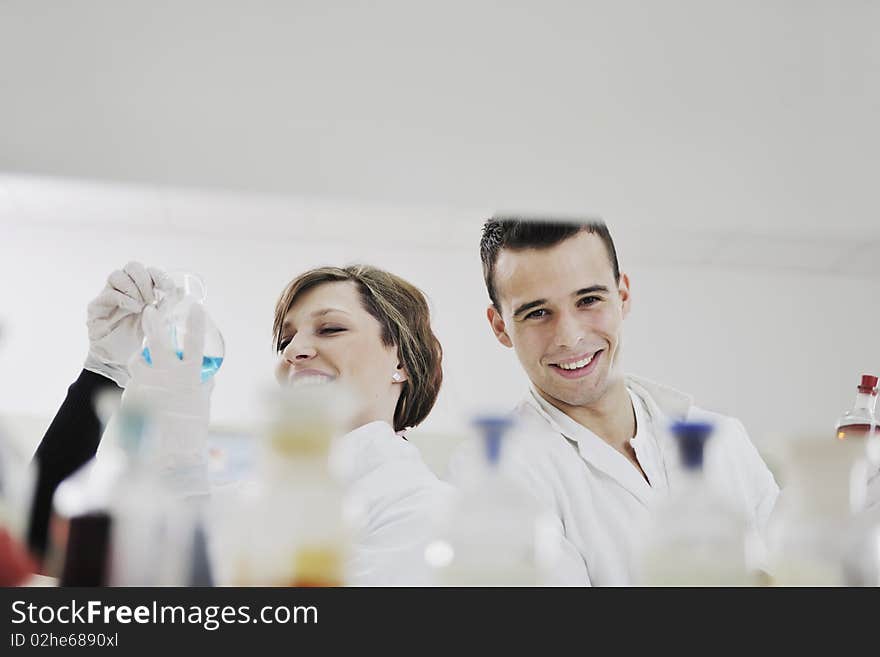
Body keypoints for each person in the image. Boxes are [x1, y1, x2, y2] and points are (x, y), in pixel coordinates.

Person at [29, 262, 452, 585]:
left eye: (331, 328)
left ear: (401, 359)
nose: (296, 350)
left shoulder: (427, 507)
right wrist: (104, 370)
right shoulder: (244, 501)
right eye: (286, 339)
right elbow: (48, 547)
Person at [448, 217, 780, 586]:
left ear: (622, 297)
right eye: (537, 313)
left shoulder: (724, 440)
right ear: (500, 327)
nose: (570, 338)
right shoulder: (496, 474)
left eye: (589, 300)